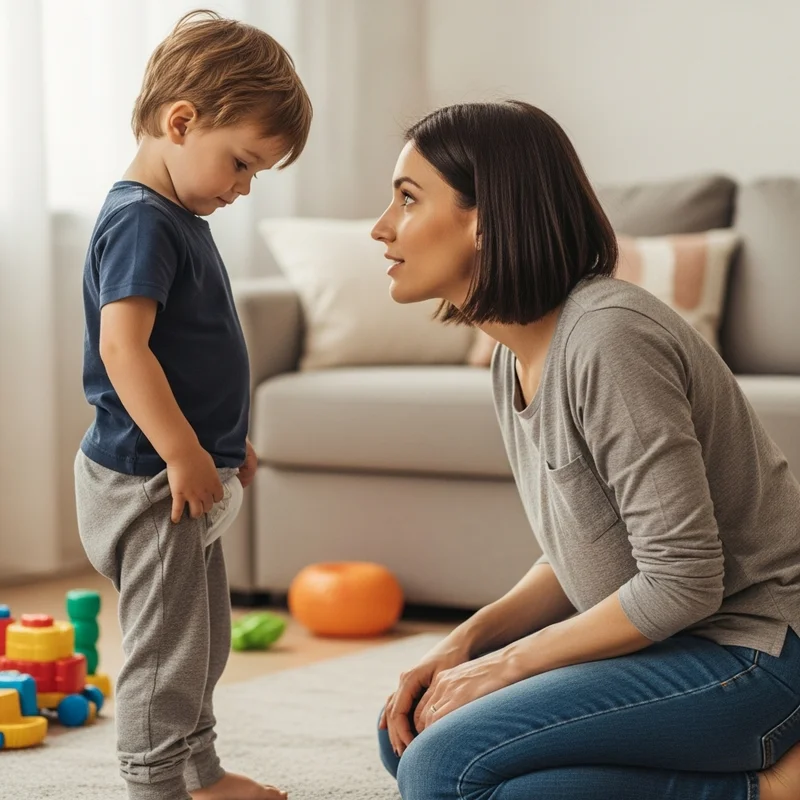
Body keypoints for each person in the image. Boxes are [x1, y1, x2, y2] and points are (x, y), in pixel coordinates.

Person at [371, 100, 800, 800]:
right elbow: (585, 546)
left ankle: (770, 788)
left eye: (408, 198)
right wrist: (465, 643)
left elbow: (683, 581)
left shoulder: (609, 338)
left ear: (485, 220)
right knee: (409, 730)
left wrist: (508, 664)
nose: (381, 226)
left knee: (441, 769)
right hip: (673, 643)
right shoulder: (512, 355)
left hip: (756, 653)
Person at [73, 11, 311, 800]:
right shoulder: (142, 220)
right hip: (147, 478)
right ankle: (154, 785)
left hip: (179, 470)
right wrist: (181, 450)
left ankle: (199, 772)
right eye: (241, 163)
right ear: (181, 122)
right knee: (165, 650)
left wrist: (223, 441)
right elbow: (123, 350)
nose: (243, 188)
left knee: (203, 642)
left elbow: (192, 347)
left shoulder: (176, 215)